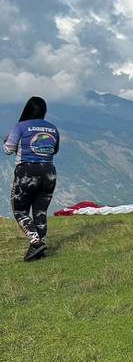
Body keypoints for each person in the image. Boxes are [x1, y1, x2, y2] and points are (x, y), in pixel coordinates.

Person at [3, 96, 60, 260]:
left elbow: (8, 149)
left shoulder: (20, 126)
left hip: (27, 171)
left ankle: (35, 242)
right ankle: (39, 249)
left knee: (20, 210)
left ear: (27, 109)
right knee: (40, 211)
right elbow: (53, 150)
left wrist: (7, 140)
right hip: (49, 172)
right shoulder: (53, 128)